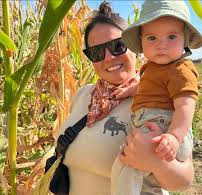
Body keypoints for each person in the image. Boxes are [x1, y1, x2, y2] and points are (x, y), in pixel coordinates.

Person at [57, 1, 194, 195]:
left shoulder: (157, 99)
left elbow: (183, 180)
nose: (108, 58)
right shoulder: (83, 95)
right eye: (96, 52)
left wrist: (157, 163)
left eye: (117, 46)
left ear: (135, 46)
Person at [111, 0, 202, 195]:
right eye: (152, 38)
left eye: (171, 36)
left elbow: (186, 107)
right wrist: (129, 91)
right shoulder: (152, 68)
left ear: (185, 40)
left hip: (164, 128)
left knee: (126, 168)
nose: (161, 45)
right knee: (145, 183)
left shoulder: (181, 70)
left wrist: (174, 137)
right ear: (142, 41)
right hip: (149, 125)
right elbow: (146, 86)